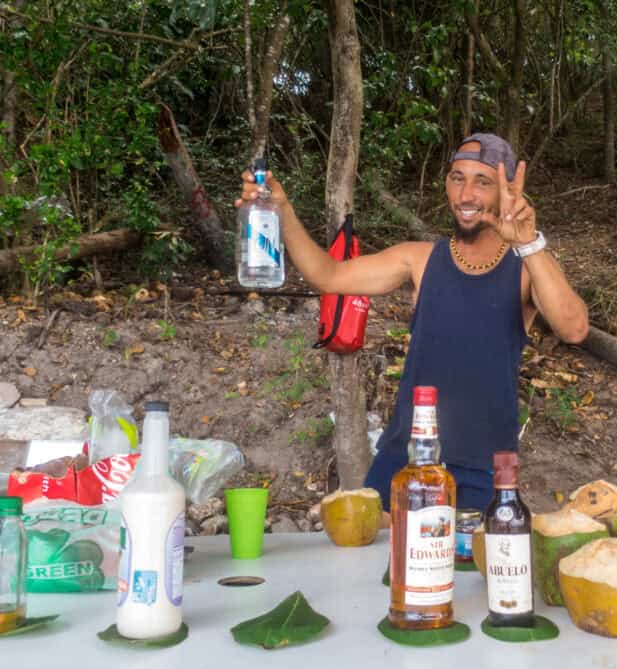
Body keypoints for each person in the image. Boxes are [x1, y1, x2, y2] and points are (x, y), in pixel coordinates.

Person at [237, 133, 589, 511]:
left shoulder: (525, 269)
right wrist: (283, 211)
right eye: (457, 178)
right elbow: (328, 275)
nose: (466, 194)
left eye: (482, 182)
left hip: (482, 470)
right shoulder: (418, 260)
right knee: (377, 566)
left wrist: (529, 242)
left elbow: (574, 328)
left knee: (471, 569)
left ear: (507, 193)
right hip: (404, 461)